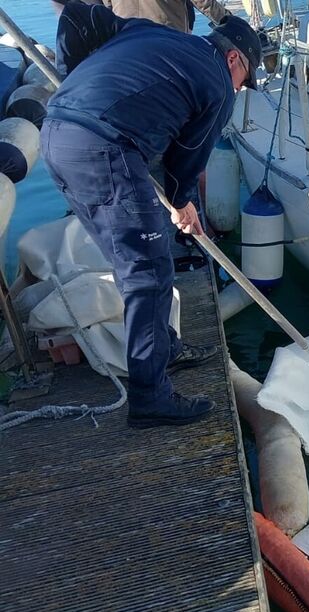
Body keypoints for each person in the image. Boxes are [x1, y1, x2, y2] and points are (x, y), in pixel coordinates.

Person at [40, 2, 261, 428]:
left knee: (135, 261)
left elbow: (77, 16)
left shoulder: (148, 32)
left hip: (57, 133)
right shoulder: (217, 83)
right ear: (234, 58)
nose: (241, 88)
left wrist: (72, 80)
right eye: (245, 79)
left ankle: (165, 349)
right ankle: (149, 398)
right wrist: (183, 205)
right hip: (105, 149)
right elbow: (185, 162)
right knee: (149, 272)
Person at [103, 0, 231, 33]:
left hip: (124, 34)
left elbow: (106, 7)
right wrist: (230, 22)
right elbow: (204, 3)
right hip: (165, 34)